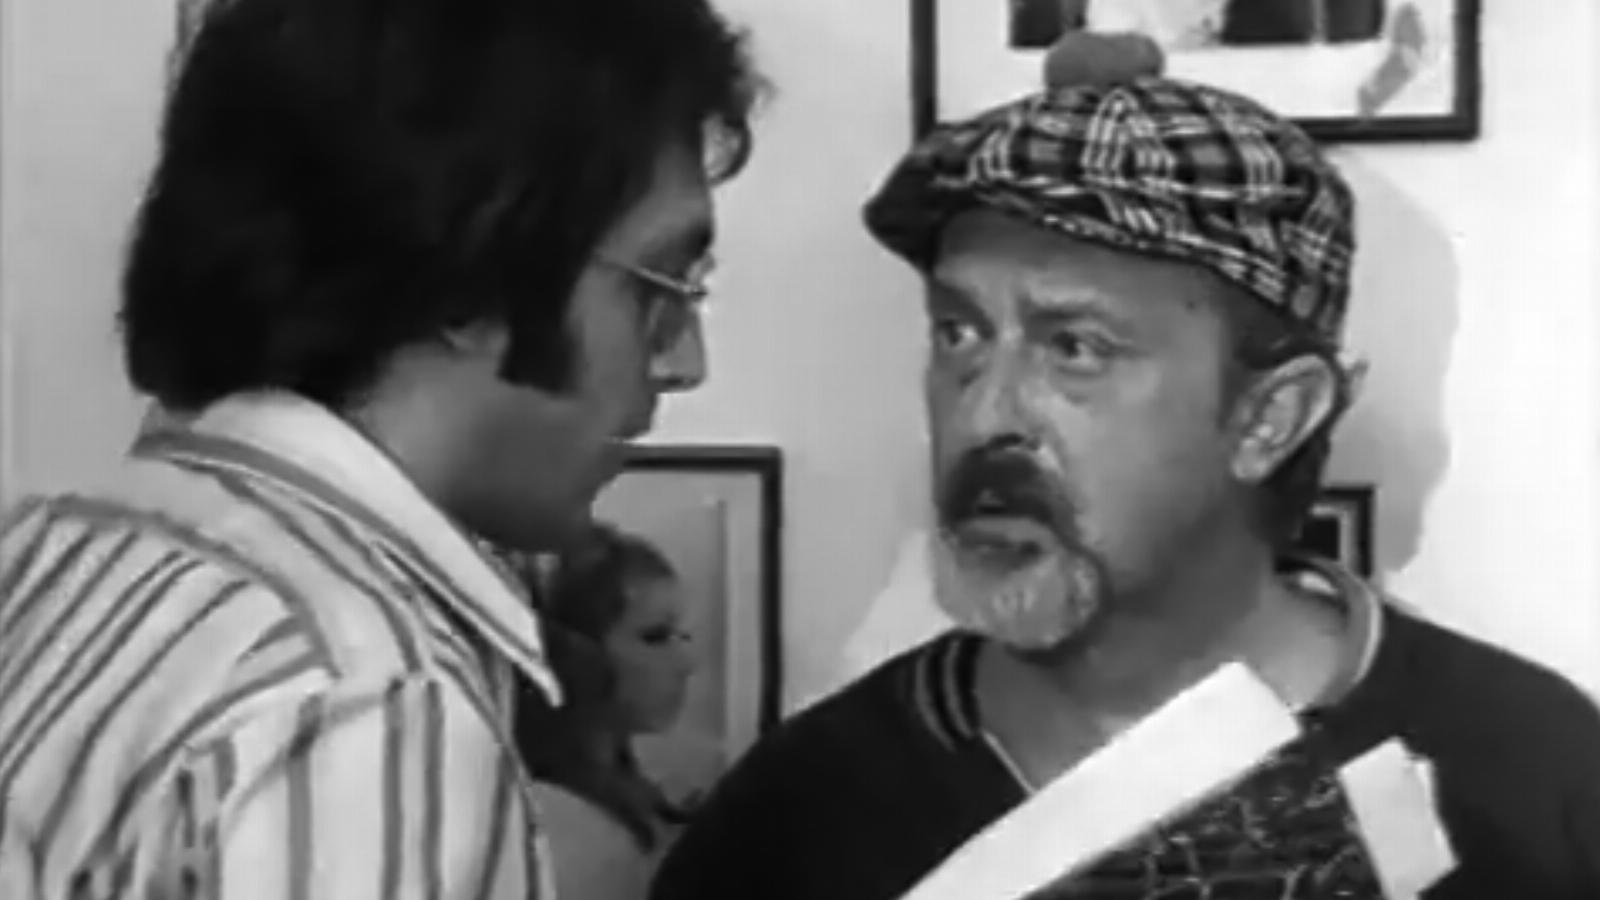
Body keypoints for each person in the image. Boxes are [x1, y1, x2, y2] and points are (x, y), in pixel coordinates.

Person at [649, 35, 1600, 900]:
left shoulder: (1534, 778)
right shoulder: (796, 820)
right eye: (959, 334)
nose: (983, 414)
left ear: (1269, 418)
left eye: (1076, 348)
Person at [0, 0, 762, 897]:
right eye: (663, 288)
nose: (684, 363)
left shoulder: (52, 548)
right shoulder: (366, 698)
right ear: (471, 273)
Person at [512, 525, 699, 900]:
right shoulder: (553, 823)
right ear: (574, 655)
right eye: (655, 636)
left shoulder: (641, 798)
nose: (687, 662)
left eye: (682, 635)